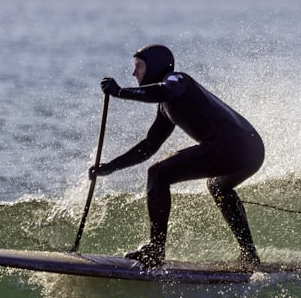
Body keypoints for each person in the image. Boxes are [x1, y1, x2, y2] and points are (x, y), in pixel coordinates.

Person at [89, 44, 265, 269]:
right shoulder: (166, 106)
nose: (134, 74)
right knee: (218, 186)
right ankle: (249, 254)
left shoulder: (177, 81)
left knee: (158, 173)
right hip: (250, 150)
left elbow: (166, 90)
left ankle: (155, 249)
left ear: (154, 67)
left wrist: (121, 92)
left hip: (235, 146)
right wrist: (110, 167)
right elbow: (149, 147)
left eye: (139, 67)